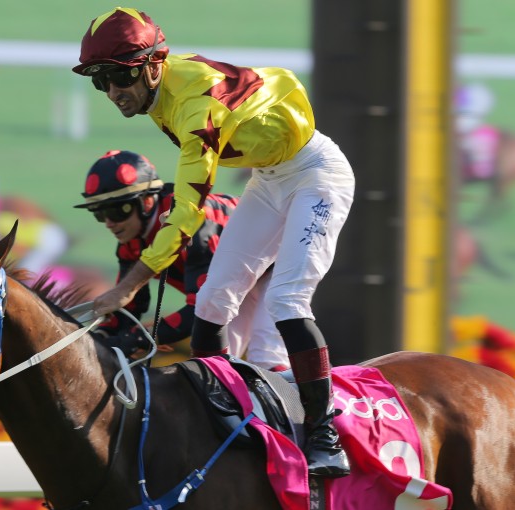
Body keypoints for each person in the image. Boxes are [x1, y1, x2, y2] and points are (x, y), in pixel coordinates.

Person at [72, 8, 355, 477]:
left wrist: (129, 285)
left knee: (287, 301)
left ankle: (326, 435)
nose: (112, 92)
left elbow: (187, 211)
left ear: (153, 64)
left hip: (316, 175)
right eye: (100, 81)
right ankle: (217, 414)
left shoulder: (195, 107)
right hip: (268, 179)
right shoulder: (160, 88)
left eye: (119, 77)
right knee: (211, 301)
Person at [75, 149, 290, 371]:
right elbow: (128, 307)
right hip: (233, 285)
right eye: (100, 214)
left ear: (147, 202)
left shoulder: (195, 224)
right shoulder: (130, 241)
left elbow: (202, 309)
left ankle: (306, 392)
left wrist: (144, 337)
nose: (109, 223)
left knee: (266, 357)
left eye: (118, 210)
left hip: (277, 260)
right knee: (217, 369)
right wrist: (100, 337)